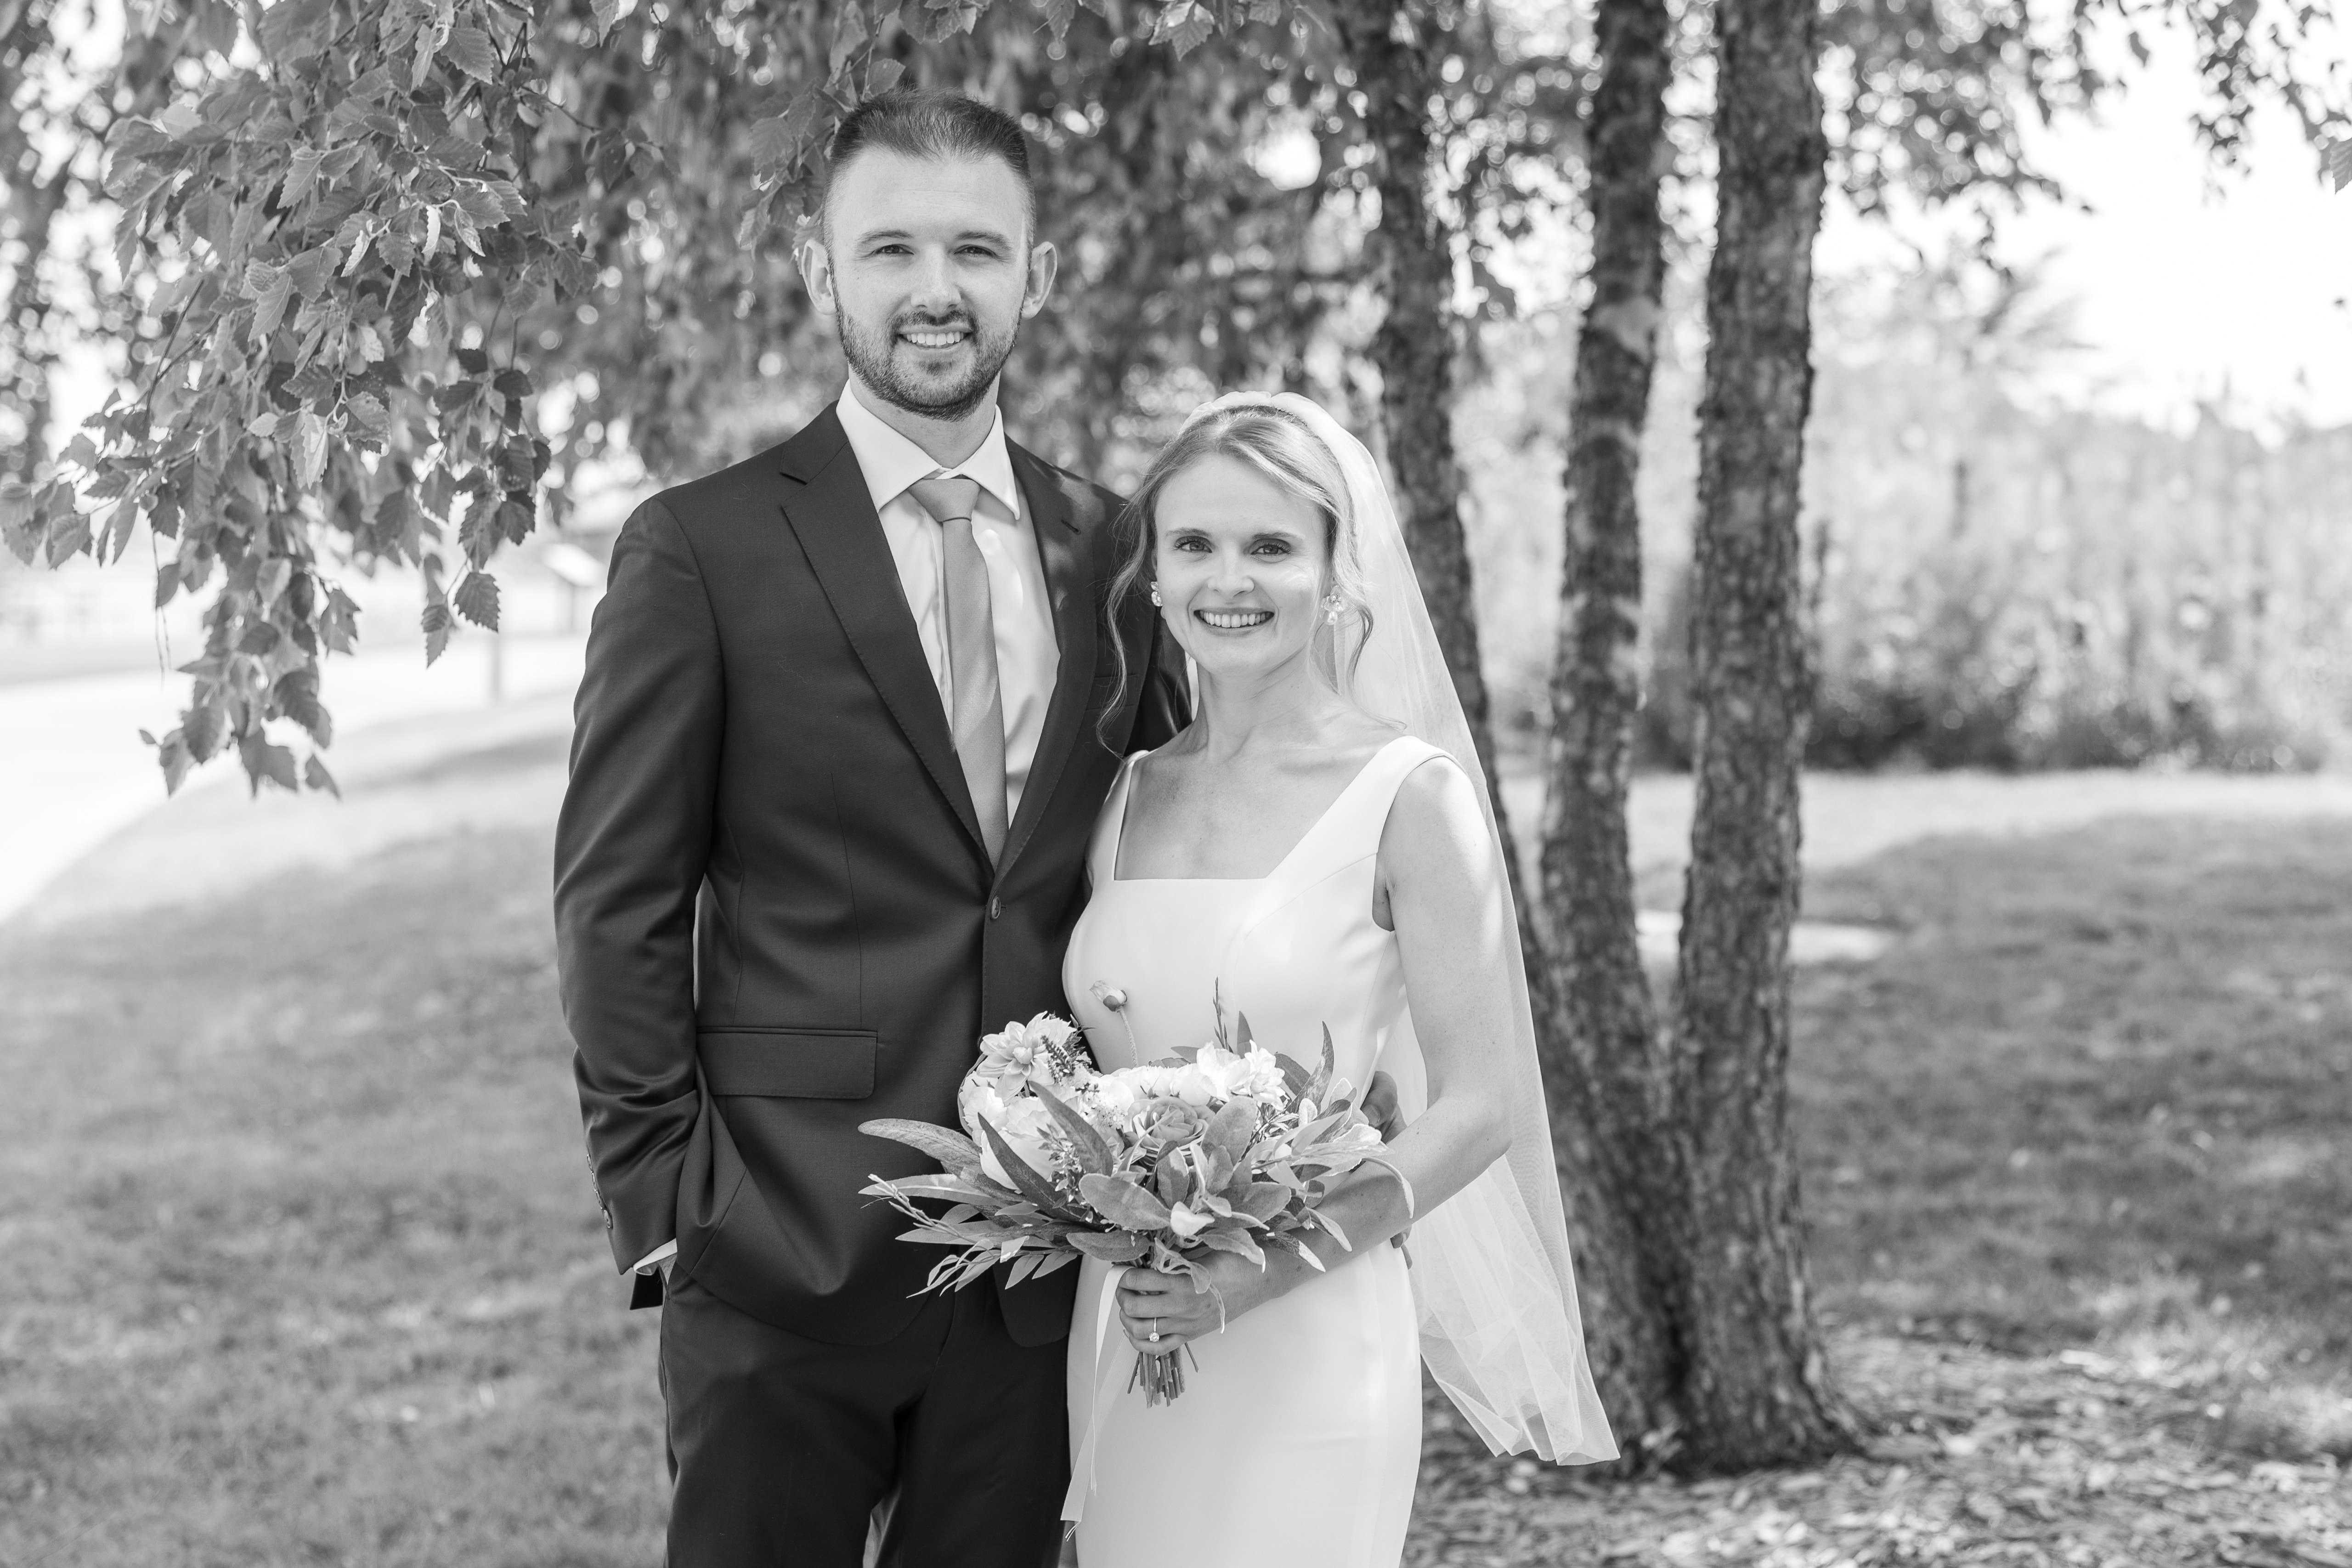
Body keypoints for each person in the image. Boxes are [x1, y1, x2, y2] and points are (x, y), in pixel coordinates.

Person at [552, 88, 1187, 1567]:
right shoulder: (700, 547)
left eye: (976, 248)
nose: (934, 288)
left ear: (1037, 275)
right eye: (891, 247)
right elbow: (615, 903)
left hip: (1044, 1266)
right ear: (818, 266)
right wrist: (668, 1203)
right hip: (778, 1246)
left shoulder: (1116, 554)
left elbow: (1162, 858)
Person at [1059, 395, 1619, 1567]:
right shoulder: (1123, 791)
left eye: (1271, 546)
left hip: (1310, 1329)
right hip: (1125, 1321)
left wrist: (1255, 1269)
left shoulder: (1408, 797)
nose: (1230, 580)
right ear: (1152, 576)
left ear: (1335, 575)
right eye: (1195, 544)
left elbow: (1481, 1106)